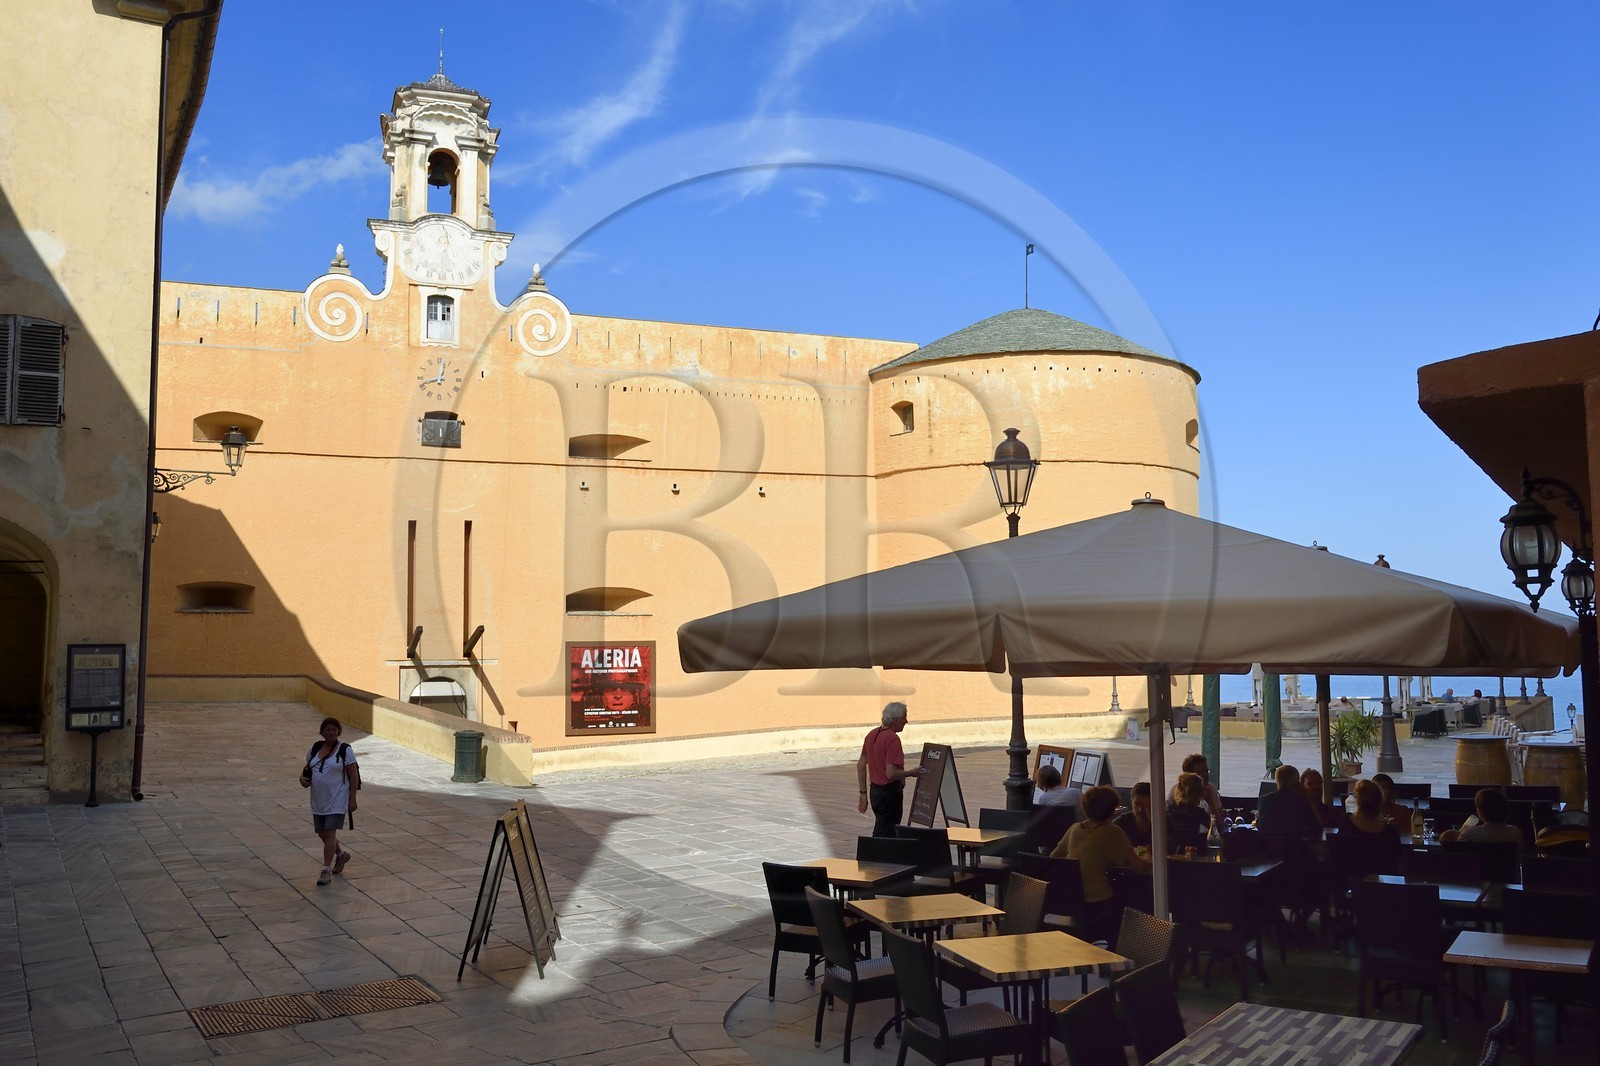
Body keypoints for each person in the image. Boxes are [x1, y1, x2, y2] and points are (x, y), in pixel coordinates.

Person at [1052, 784, 1149, 943]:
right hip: (1098, 903)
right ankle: (1132, 947)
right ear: (1112, 809)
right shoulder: (1112, 831)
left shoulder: (1075, 829)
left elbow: (1053, 857)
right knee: (1133, 902)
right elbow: (1138, 866)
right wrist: (1152, 860)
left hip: (1073, 901)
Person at [300, 716, 360, 886]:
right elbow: (307, 769)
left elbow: (353, 774)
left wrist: (352, 798)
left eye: (334, 729)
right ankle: (341, 855)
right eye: (328, 729)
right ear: (322, 732)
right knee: (322, 833)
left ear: (338, 732)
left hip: (337, 799)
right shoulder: (315, 748)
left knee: (330, 833)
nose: (331, 732)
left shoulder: (345, 750)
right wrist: (301, 778)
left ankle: (325, 870)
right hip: (318, 799)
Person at [856, 702, 924, 836]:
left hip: (875, 791)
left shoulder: (872, 735)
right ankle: (876, 855)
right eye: (904, 717)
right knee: (886, 832)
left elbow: (861, 765)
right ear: (895, 720)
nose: (906, 721)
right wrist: (912, 773)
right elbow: (891, 773)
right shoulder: (892, 739)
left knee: (883, 826)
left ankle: (880, 854)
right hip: (889, 793)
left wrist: (863, 792)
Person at [1442, 788, 1525, 862]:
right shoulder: (1515, 833)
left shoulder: (1469, 834)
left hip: (1475, 878)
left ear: (1481, 812)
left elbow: (1460, 860)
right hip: (1508, 878)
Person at [1257, 764, 1320, 841]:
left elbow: (1260, 826)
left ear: (1277, 781)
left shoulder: (1264, 800)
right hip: (1294, 850)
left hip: (1269, 850)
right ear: (1297, 783)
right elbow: (1317, 830)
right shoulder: (1301, 802)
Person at [1166, 772, 1211, 853]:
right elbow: (1216, 829)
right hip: (1191, 853)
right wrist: (1211, 802)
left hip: (1170, 853)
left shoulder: (1170, 810)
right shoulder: (1198, 813)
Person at [1180, 752, 1223, 822]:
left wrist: (1210, 802)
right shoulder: (1177, 791)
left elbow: (1219, 824)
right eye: (1200, 773)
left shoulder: (1211, 788)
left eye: (1206, 771)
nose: (1205, 775)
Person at [1113, 780, 1153, 849]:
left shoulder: (1164, 821)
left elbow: (1171, 847)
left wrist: (1153, 822)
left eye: (1146, 805)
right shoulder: (1120, 824)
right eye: (1137, 804)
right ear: (1131, 801)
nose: (1140, 809)